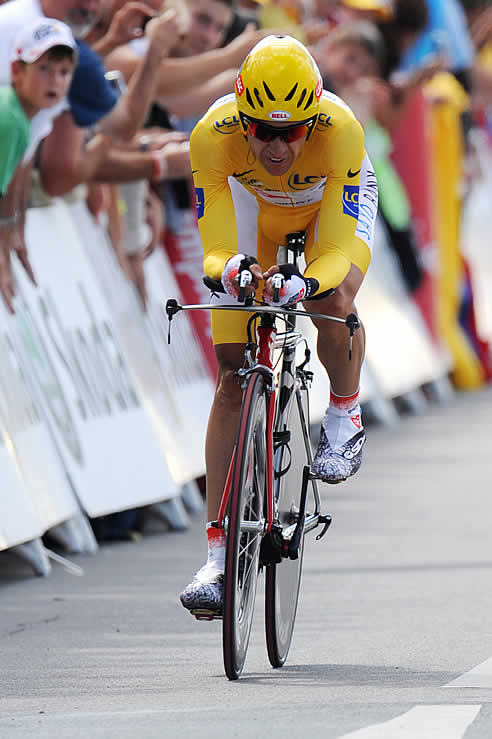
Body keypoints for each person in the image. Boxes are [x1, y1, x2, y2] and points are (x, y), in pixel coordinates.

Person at [180, 34, 378, 613]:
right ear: (241, 115)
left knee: (333, 298)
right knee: (231, 375)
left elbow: (337, 254)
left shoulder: (340, 132)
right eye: (260, 129)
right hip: (253, 208)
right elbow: (214, 250)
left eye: (289, 131)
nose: (273, 144)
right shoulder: (211, 139)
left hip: (326, 212)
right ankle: (217, 559)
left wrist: (305, 283)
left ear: (312, 121)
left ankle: (344, 410)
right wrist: (236, 269)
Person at [0, 18, 77, 312]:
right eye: (43, 68)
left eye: (64, 72)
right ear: (16, 70)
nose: (55, 80)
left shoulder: (19, 115)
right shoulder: (11, 119)